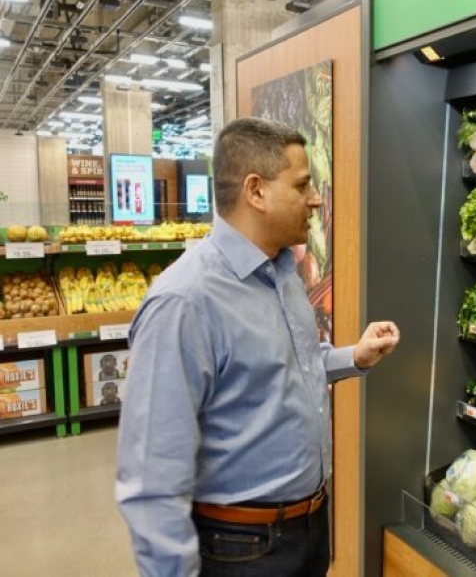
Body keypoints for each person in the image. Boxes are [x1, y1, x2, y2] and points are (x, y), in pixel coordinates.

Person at [116, 117, 400, 577]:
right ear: (256, 191)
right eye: (303, 184)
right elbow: (151, 474)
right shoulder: (185, 302)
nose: (315, 199)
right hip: (238, 549)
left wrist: (354, 357)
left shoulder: (282, 274)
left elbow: (290, 367)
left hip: (307, 529)